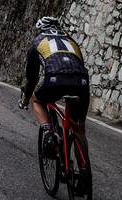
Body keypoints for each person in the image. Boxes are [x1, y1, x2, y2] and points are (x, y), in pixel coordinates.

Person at [19, 16, 90, 153]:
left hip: (54, 79)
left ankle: (48, 132)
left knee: (37, 100)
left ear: (41, 29)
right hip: (81, 82)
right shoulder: (71, 40)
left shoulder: (38, 41)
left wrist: (25, 99)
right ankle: (84, 170)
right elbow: (79, 65)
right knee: (79, 129)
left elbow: (31, 78)